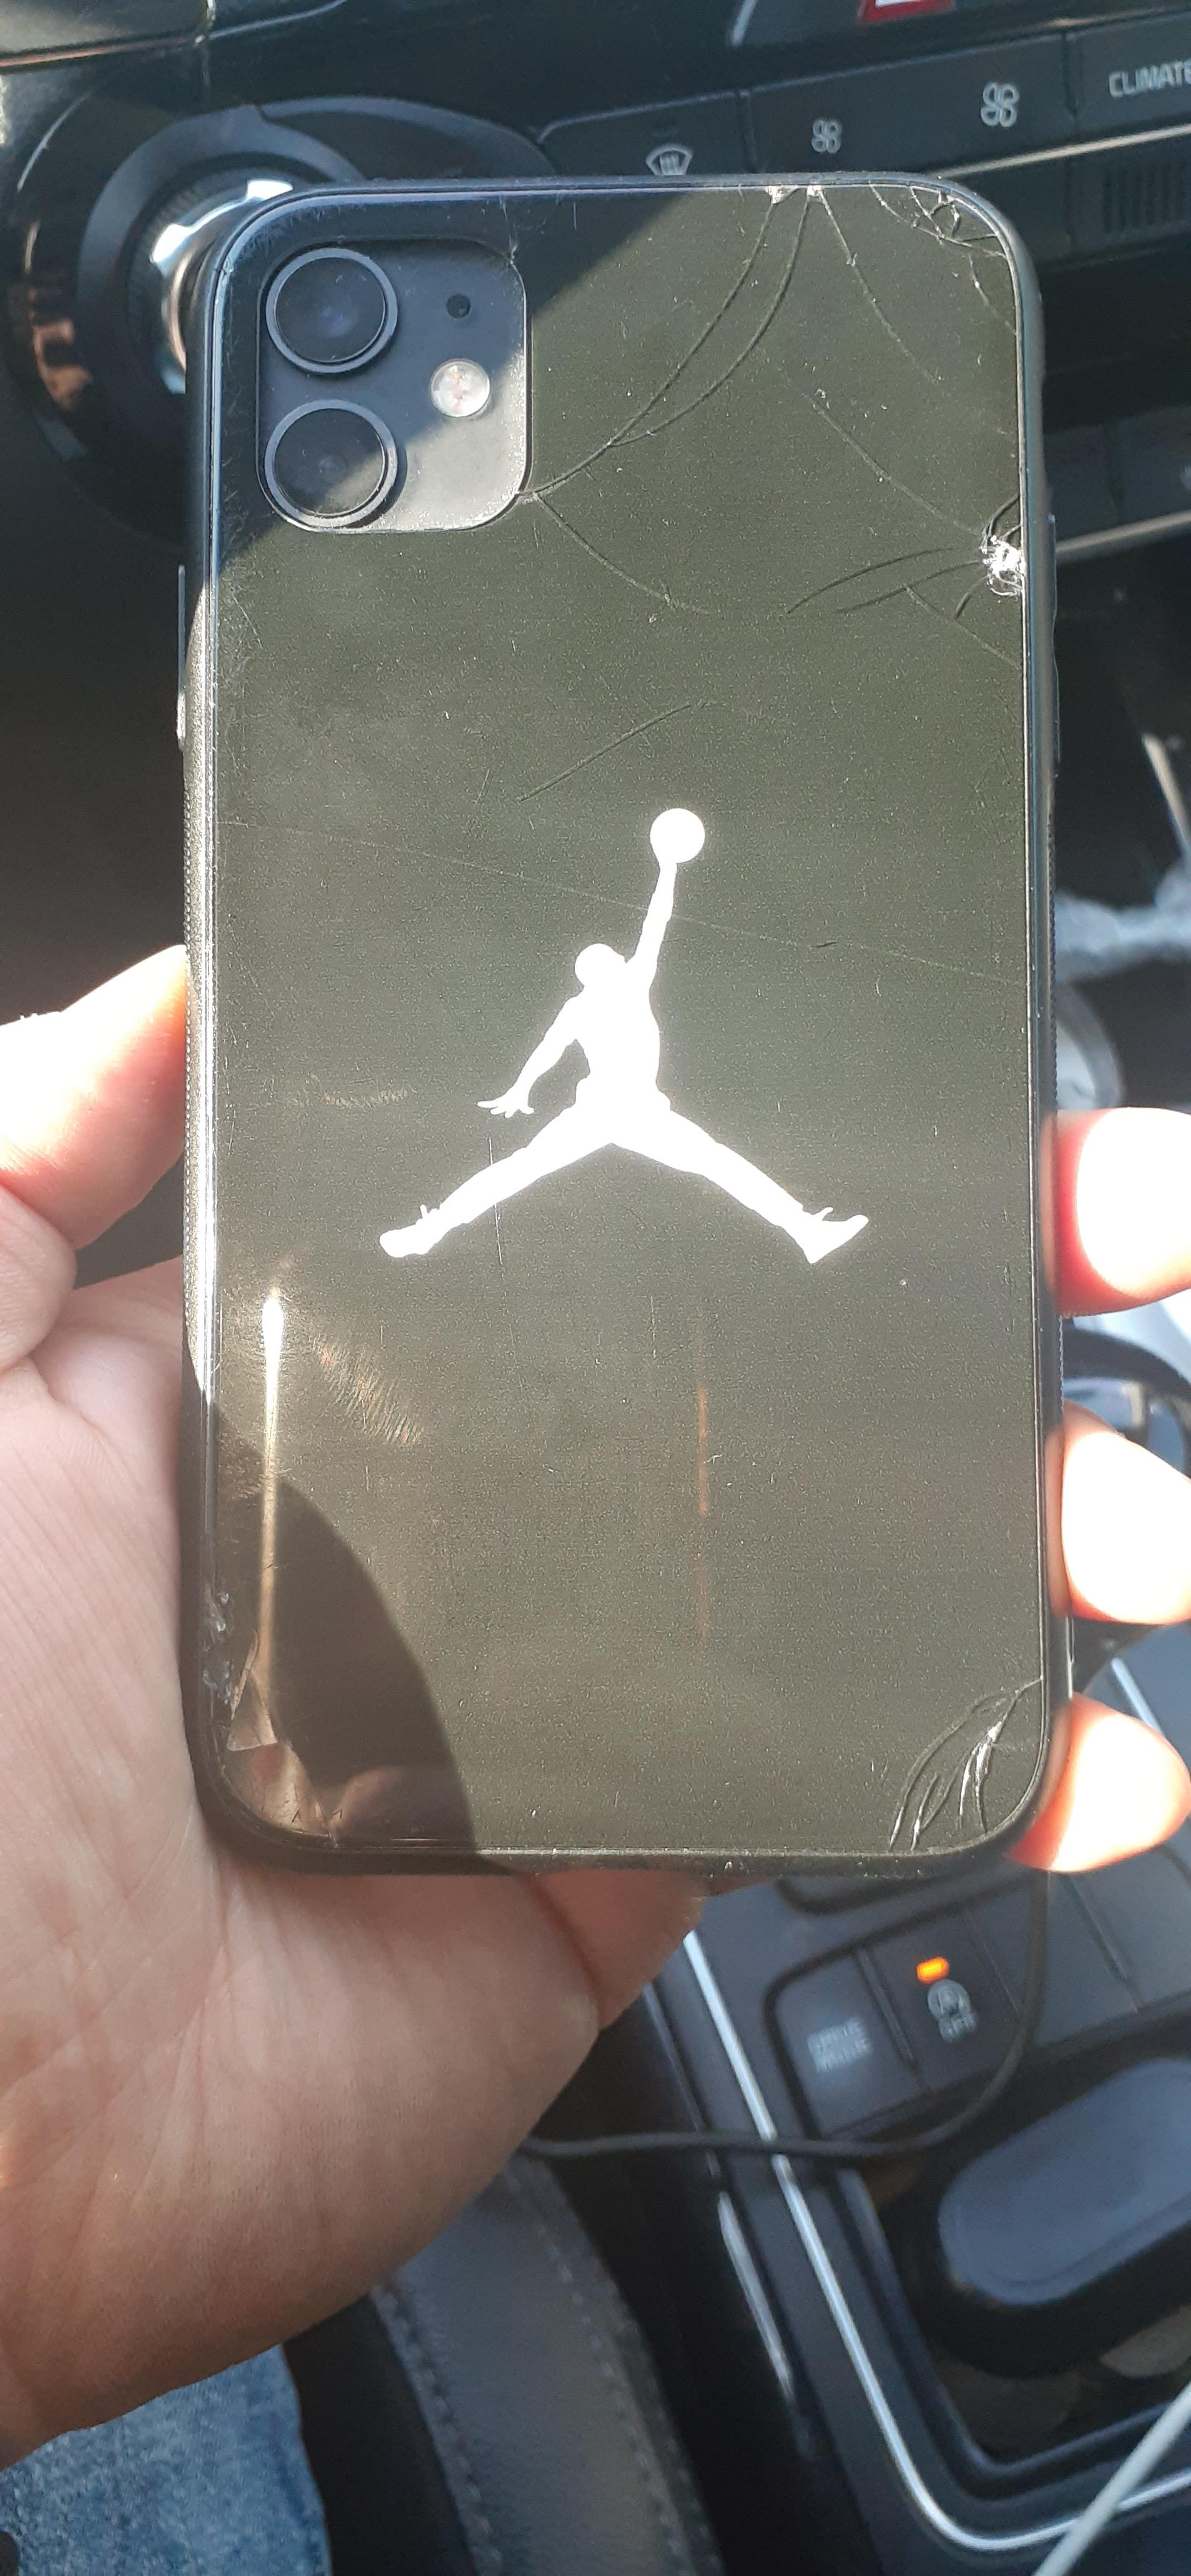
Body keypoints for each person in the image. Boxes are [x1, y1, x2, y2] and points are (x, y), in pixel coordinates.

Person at [0, 944, 1186, 2486]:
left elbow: (646, 934)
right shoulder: (591, 991)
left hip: (632, 1116)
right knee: (570, 1171)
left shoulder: (618, 972)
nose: (596, 963)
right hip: (605, 1119)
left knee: (694, 1172)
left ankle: (725, 1222)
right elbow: (574, 1020)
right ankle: (509, 1222)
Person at [381, 807, 867, 1262]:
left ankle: (805, 1230)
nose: (621, 958)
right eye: (613, 957)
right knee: (711, 1163)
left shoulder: (598, 997)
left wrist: (522, 1087)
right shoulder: (618, 989)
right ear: (601, 969)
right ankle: (804, 1229)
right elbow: (653, 926)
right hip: (615, 1109)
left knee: (528, 1167)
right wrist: (667, 867)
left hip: (627, 1110)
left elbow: (553, 1045)